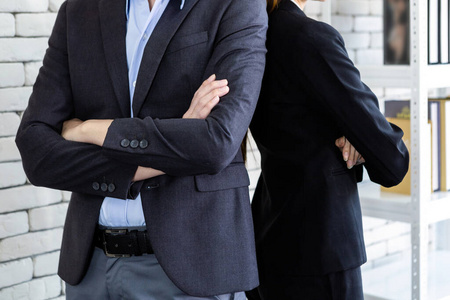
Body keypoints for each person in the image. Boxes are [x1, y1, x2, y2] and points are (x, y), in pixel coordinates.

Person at [15, 0, 268, 298]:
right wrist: (180, 137)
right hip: (89, 270)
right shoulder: (78, 9)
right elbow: (36, 151)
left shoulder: (237, 4)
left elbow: (216, 143)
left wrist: (88, 130)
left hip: (191, 268)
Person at [246, 0, 409, 299]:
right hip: (321, 251)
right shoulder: (310, 37)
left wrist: (355, 132)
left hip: (269, 242)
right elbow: (392, 161)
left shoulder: (250, 35)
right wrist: (360, 135)